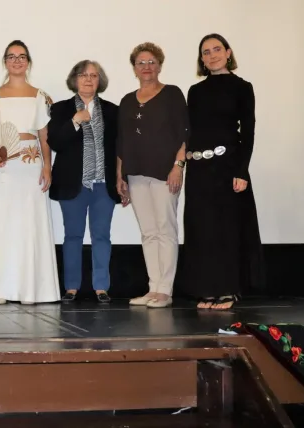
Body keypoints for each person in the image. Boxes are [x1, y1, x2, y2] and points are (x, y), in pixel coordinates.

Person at [182, 33, 265, 310]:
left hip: (228, 167)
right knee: (201, 229)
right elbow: (189, 131)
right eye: (206, 52)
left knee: (227, 230)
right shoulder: (195, 91)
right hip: (198, 169)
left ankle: (228, 290)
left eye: (217, 49)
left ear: (228, 52)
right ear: (201, 59)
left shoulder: (242, 87)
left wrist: (242, 171)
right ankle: (206, 290)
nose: (212, 55)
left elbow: (248, 133)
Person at [0, 40, 59, 305]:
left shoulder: (39, 95)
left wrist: (47, 165)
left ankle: (31, 290)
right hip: (4, 165)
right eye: (11, 56)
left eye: (22, 56)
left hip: (30, 162)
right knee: (2, 222)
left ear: (28, 61)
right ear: (5, 62)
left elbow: (44, 134)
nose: (17, 60)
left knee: (30, 223)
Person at [116, 42, 189, 308]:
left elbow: (184, 134)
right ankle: (153, 287)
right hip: (135, 174)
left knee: (165, 230)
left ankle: (165, 291)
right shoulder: (126, 100)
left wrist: (178, 167)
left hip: (164, 172)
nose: (146, 67)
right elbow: (122, 143)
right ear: (134, 68)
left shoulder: (172, 94)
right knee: (148, 232)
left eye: (151, 62)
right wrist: (119, 176)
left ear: (159, 65)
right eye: (141, 63)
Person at [47, 60, 121, 304]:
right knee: (73, 236)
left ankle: (101, 287)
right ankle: (71, 287)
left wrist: (123, 179)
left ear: (100, 81)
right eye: (83, 75)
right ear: (74, 79)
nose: (89, 80)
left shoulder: (112, 110)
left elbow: (119, 148)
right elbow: (55, 143)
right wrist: (75, 121)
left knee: (102, 236)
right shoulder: (60, 109)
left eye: (94, 75)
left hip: (103, 184)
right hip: (73, 184)